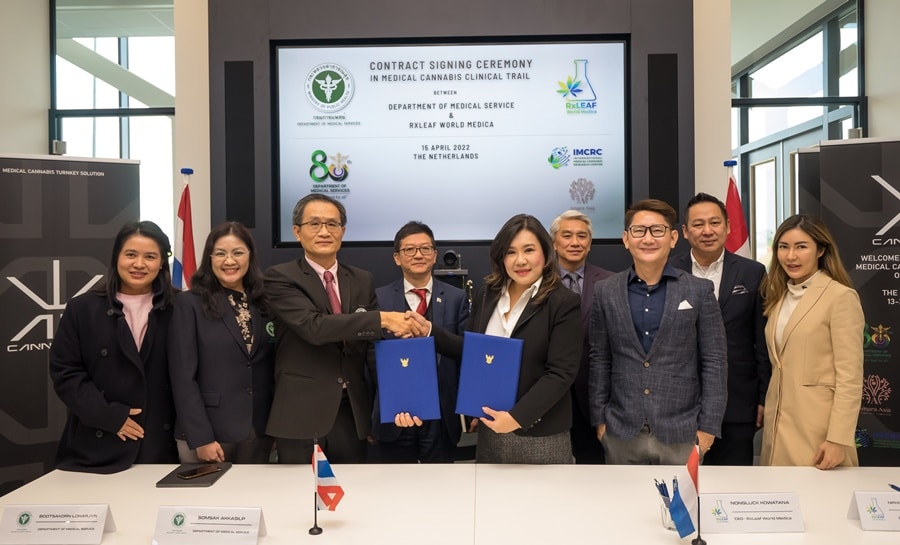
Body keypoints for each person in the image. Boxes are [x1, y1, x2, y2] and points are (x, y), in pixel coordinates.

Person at [264, 194, 426, 463]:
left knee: (352, 489)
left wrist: (397, 402)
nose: (324, 231)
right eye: (314, 224)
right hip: (301, 414)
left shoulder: (362, 279)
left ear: (343, 231)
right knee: (299, 489)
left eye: (332, 224)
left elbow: (372, 350)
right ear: (297, 231)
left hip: (351, 415)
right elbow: (314, 327)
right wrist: (381, 319)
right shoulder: (280, 277)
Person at [411, 214, 581, 464]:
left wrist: (515, 418)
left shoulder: (563, 302)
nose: (520, 260)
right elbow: (473, 352)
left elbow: (560, 374)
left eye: (529, 250)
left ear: (545, 253)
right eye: (511, 252)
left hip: (540, 434)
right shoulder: (487, 293)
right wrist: (430, 331)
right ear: (501, 257)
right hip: (490, 429)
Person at [589, 199, 727, 465]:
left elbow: (715, 361)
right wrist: (600, 421)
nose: (648, 238)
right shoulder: (605, 291)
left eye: (657, 230)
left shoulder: (699, 290)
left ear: (673, 238)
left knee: (680, 496)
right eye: (639, 230)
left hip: (682, 431)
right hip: (620, 431)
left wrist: (709, 427)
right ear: (626, 239)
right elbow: (600, 359)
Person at [49, 221, 178, 473]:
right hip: (96, 445)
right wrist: (108, 416)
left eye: (150, 256)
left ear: (162, 262)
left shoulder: (180, 308)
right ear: (116, 257)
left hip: (162, 446)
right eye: (131, 254)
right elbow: (65, 372)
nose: (139, 264)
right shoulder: (82, 309)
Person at [671, 193, 770, 466]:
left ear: (728, 227)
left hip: (737, 401)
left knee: (734, 483)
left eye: (715, 223)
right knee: (683, 483)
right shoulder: (669, 271)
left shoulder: (753, 273)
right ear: (685, 231)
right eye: (698, 224)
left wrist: (764, 397)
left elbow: (761, 341)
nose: (707, 230)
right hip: (678, 405)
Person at [759, 214, 864, 469]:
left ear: (821, 250)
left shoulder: (840, 297)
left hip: (819, 432)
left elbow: (850, 377)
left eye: (801, 247)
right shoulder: (778, 297)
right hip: (777, 430)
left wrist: (838, 438)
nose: (791, 256)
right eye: (783, 247)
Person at [168, 221, 275, 464]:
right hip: (208, 432)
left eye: (238, 252)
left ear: (250, 256)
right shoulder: (190, 303)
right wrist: (201, 437)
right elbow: (182, 377)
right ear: (209, 258)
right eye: (220, 254)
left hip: (258, 430)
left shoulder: (264, 302)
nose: (229, 261)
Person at [373, 221, 469, 463]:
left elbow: (465, 353)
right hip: (394, 414)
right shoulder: (378, 298)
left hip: (442, 414)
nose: (418, 255)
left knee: (440, 483)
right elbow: (368, 359)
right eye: (409, 249)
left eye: (425, 249)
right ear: (397, 258)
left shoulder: (457, 298)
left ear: (434, 255)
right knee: (395, 482)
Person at [550, 210, 613, 464]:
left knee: (593, 469)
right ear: (554, 243)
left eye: (582, 236)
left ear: (590, 243)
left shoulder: (610, 282)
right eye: (567, 236)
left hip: (594, 395)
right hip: (550, 395)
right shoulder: (538, 281)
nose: (575, 242)